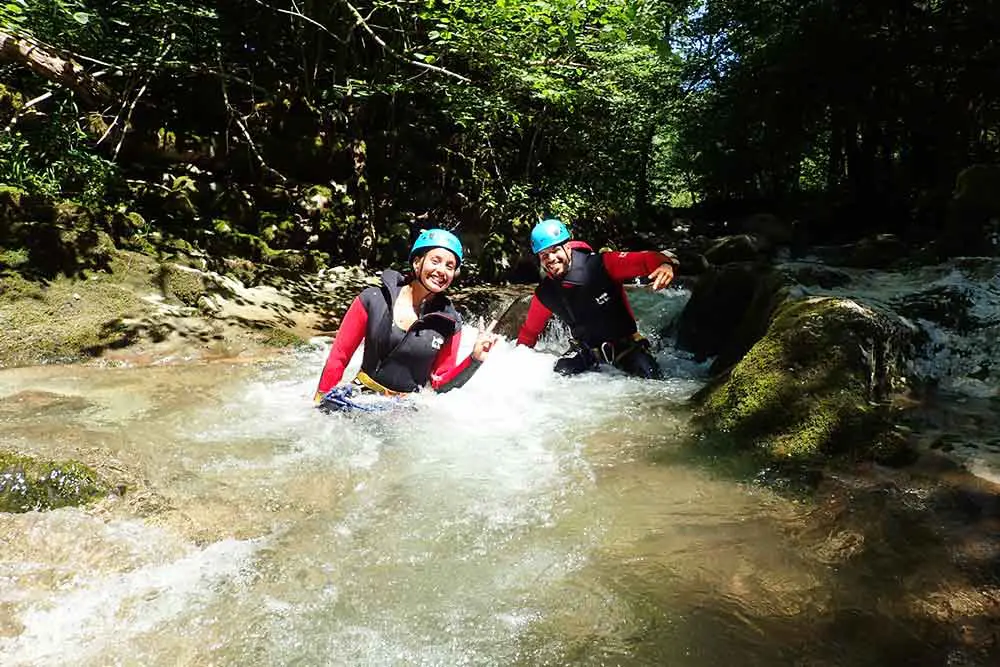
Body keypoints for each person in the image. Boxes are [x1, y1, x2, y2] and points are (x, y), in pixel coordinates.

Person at [314, 228, 497, 404]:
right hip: (362, 398)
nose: (442, 271)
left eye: (450, 266)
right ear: (417, 262)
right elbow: (339, 357)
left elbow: (440, 385)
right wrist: (320, 401)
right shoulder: (373, 299)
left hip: (405, 412)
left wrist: (474, 359)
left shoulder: (450, 322)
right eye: (435, 261)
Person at [515, 218, 678, 379]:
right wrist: (515, 361)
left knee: (651, 376)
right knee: (559, 374)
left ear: (567, 247)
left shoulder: (603, 264)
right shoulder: (545, 293)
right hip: (587, 353)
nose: (550, 259)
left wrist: (664, 264)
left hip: (626, 348)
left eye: (555, 250)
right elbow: (529, 333)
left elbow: (645, 260)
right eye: (544, 255)